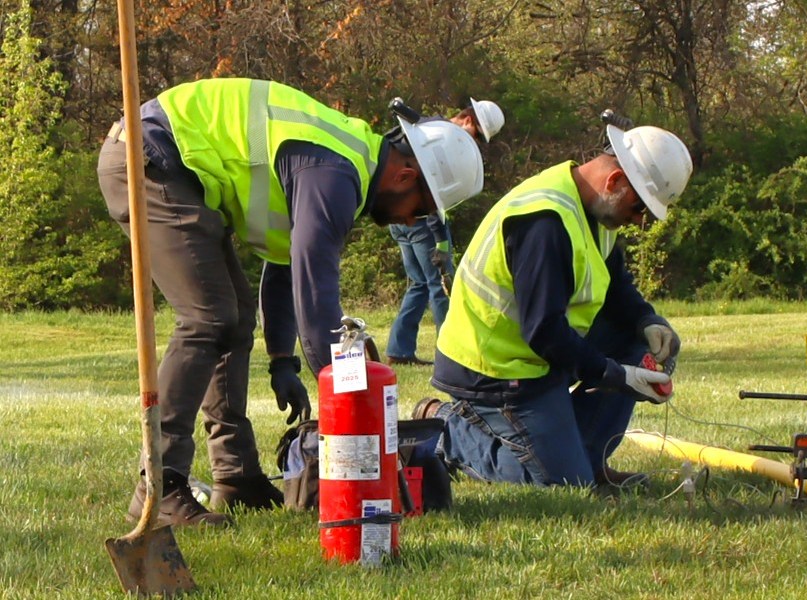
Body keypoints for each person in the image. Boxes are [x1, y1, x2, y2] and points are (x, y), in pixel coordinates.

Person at [96, 78, 484, 527]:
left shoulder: (347, 164)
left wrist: (284, 359)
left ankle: (236, 477)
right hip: (150, 159)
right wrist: (341, 394)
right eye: (420, 208)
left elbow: (286, 266)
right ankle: (160, 489)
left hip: (171, 162)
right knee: (208, 317)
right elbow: (315, 290)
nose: (409, 220)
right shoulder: (335, 174)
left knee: (234, 318)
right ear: (405, 176)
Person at [418, 122, 693, 487]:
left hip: (535, 360)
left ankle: (588, 461)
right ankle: (446, 429)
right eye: (640, 207)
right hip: (496, 369)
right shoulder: (544, 224)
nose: (640, 221)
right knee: (561, 485)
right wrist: (615, 375)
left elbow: (615, 286)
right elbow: (544, 332)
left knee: (635, 342)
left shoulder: (595, 210)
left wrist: (647, 320)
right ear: (614, 182)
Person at [385, 99, 505, 365]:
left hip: (400, 218)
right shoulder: (442, 140)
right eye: (477, 136)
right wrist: (440, 241)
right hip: (423, 224)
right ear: (468, 120)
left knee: (418, 284)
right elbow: (431, 192)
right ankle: (448, 354)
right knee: (441, 286)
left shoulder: (425, 128)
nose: (474, 143)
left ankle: (399, 349)